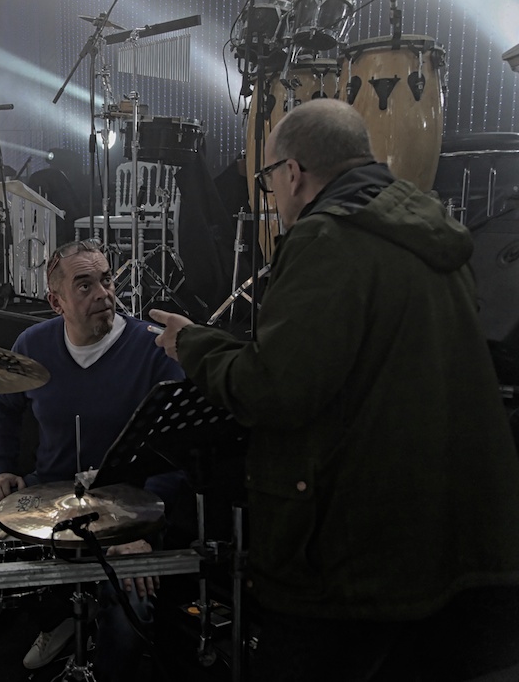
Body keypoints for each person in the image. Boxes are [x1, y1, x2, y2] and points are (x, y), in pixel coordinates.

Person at [149, 98, 519, 681]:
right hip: (447, 539)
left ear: (292, 172)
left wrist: (191, 343)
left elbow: (274, 389)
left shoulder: (327, 238)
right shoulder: (432, 231)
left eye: (269, 179)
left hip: (356, 558)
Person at [0, 238, 188, 679]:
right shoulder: (33, 343)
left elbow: (175, 449)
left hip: (131, 507)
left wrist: (142, 534)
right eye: (84, 285)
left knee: (129, 610)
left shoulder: (151, 349)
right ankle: (57, 616)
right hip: (52, 496)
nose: (103, 293)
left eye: (107, 280)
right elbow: (3, 404)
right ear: (55, 302)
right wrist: (3, 468)